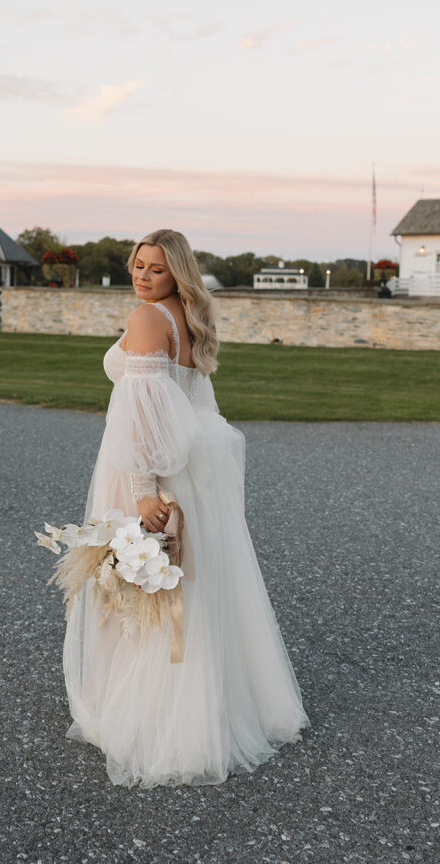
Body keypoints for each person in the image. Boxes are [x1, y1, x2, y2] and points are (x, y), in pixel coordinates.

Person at [62, 228, 310, 787]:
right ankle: (213, 706)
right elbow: (198, 405)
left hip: (150, 468)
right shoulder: (189, 316)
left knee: (152, 586)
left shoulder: (148, 319)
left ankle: (158, 717)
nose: (142, 277)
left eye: (155, 268)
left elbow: (141, 414)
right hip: (190, 466)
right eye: (137, 266)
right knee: (190, 587)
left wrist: (145, 490)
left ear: (177, 272)